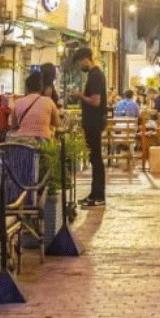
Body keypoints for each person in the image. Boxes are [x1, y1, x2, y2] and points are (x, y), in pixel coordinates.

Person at [72, 48, 107, 208]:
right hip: (92, 123)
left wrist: (80, 96)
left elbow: (95, 101)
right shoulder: (95, 75)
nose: (80, 67)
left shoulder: (95, 76)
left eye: (80, 63)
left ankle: (99, 195)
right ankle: (94, 194)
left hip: (94, 123)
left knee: (96, 159)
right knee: (94, 159)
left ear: (86, 59)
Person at [9, 72, 59, 145]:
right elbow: (57, 123)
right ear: (41, 88)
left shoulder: (17, 102)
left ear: (26, 88)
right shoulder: (48, 101)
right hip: (43, 144)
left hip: (23, 144)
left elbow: (13, 125)